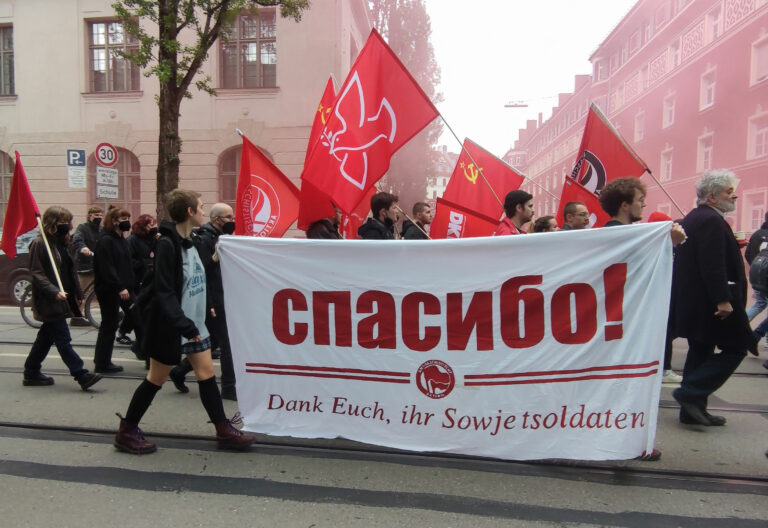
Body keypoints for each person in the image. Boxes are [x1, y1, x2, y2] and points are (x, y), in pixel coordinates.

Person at [114, 190, 254, 454]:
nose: (204, 212)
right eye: (201, 208)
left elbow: (197, 280)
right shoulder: (167, 245)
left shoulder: (190, 240)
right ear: (189, 212)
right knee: (156, 378)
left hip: (194, 325)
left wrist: (208, 305)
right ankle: (127, 430)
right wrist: (185, 325)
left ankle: (223, 429)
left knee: (207, 374)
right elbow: (164, 291)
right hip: (172, 327)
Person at [670, 170, 755, 427]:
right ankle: (691, 392)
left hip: (699, 301)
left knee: (701, 349)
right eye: (728, 191)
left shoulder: (697, 217)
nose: (735, 195)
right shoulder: (710, 221)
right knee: (739, 346)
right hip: (712, 302)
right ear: (711, 196)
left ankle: (692, 410)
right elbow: (712, 264)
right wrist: (722, 299)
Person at [23, 206, 102, 391]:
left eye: (67, 222)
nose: (66, 226)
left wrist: (78, 294)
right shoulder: (40, 244)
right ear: (51, 223)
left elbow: (70, 270)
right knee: (62, 338)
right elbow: (36, 272)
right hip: (49, 299)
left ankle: (31, 371)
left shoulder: (63, 243)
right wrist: (53, 291)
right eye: (61, 223)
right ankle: (81, 374)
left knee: (46, 337)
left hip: (64, 296)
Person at [169, 203, 239, 401]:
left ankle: (179, 371)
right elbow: (202, 269)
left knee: (215, 340)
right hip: (212, 298)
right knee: (226, 343)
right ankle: (228, 387)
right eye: (228, 217)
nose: (232, 221)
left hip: (220, 295)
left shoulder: (221, 236)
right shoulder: (204, 238)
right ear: (217, 220)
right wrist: (216, 257)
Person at [93, 207, 136, 374]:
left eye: (127, 217)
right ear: (114, 221)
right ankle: (102, 363)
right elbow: (107, 268)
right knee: (109, 325)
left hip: (124, 288)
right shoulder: (106, 241)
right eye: (122, 218)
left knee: (136, 316)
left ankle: (141, 350)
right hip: (111, 290)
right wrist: (120, 287)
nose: (126, 221)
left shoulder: (121, 239)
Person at [598, 177, 686, 244]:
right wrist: (670, 242)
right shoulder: (629, 237)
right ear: (625, 205)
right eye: (640, 200)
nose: (644, 205)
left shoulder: (602, 235)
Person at [69, 205, 103, 326]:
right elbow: (77, 239)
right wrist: (83, 248)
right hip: (84, 265)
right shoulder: (83, 228)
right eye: (96, 215)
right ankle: (76, 316)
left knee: (101, 289)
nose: (99, 217)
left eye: (100, 215)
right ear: (90, 216)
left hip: (97, 264)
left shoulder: (101, 230)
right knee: (82, 292)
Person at [745, 212, 768, 351]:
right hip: (764, 274)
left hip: (758, 273)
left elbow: (748, 253)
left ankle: (739, 329)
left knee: (760, 303)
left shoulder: (757, 234)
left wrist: (756, 267)